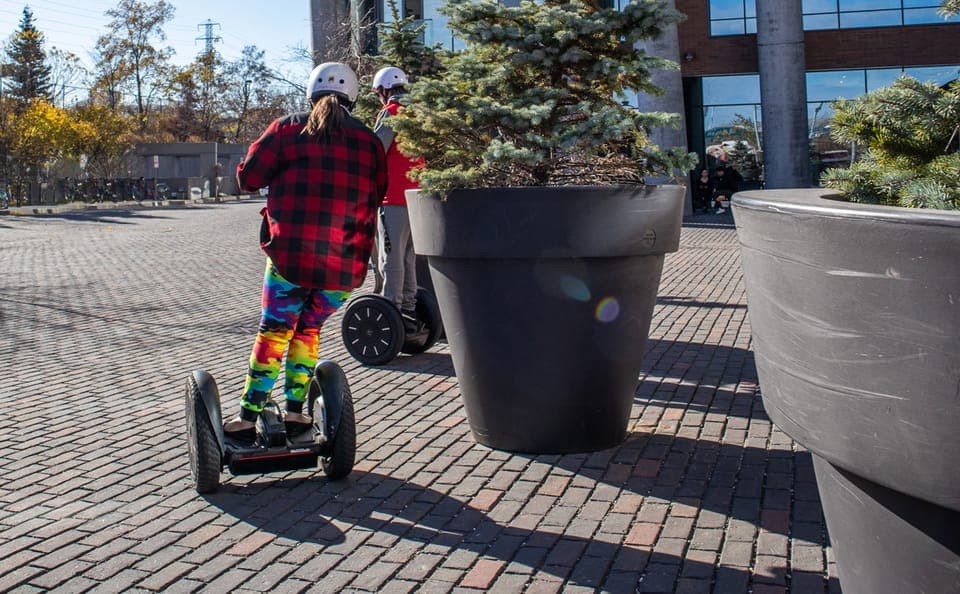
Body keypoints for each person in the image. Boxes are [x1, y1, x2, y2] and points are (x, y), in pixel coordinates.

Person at [224, 62, 388, 441]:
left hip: (291, 260)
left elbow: (248, 179)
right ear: (353, 97)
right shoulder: (368, 141)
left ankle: (248, 417)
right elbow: (378, 193)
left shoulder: (286, 128)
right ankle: (296, 414)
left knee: (275, 330)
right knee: (308, 329)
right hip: (343, 267)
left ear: (311, 92)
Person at [372, 65, 425, 335]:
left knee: (390, 258)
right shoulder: (417, 114)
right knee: (407, 257)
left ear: (385, 89)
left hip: (392, 197)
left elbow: (376, 149)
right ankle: (408, 308)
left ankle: (390, 312)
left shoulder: (391, 112)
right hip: (417, 198)